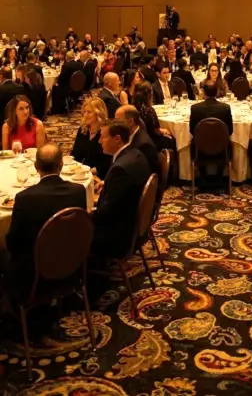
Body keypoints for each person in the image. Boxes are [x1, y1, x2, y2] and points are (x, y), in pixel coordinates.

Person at [4, 143, 87, 297]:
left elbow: (13, 243)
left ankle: (11, 303)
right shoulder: (78, 191)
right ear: (61, 165)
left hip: (35, 275)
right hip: (72, 264)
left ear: (36, 167)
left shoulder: (24, 198)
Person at [91, 121, 150, 259]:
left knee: (67, 231)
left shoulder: (120, 169)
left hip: (118, 236)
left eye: (103, 137)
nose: (99, 141)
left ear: (117, 139)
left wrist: (86, 214)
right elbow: (126, 189)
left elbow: (107, 213)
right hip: (134, 224)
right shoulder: (136, 153)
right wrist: (107, 183)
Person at [189, 80, 233, 188]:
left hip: (200, 149)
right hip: (222, 148)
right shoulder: (225, 108)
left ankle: (203, 176)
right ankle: (220, 177)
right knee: (229, 142)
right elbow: (230, 130)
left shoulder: (195, 108)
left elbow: (192, 130)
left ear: (203, 92)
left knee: (193, 141)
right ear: (217, 91)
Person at [71, 97, 111, 179]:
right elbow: (75, 153)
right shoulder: (83, 130)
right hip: (82, 172)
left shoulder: (106, 132)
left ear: (98, 113)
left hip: (100, 175)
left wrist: (89, 172)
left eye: (89, 112)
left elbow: (108, 161)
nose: (85, 115)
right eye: (84, 112)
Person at [115, 104, 159, 176]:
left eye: (118, 121)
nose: (115, 125)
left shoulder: (143, 145)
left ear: (130, 122)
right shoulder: (131, 136)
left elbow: (145, 174)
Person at [133, 82, 176, 153]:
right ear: (149, 95)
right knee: (173, 138)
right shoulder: (149, 110)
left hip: (138, 139)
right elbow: (157, 131)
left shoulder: (133, 107)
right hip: (152, 140)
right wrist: (165, 131)